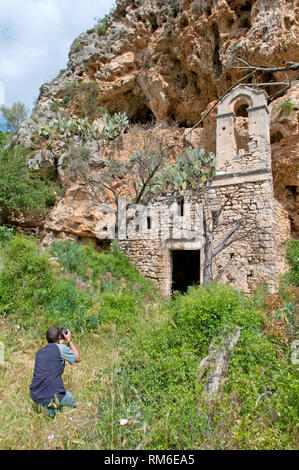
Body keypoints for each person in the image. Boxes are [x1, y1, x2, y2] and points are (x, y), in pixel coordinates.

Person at [30, 326, 81, 416]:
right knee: (80, 407)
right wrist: (69, 340)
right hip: (53, 395)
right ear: (59, 337)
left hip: (35, 395)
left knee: (50, 414)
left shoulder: (40, 352)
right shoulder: (60, 348)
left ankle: (49, 413)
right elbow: (77, 358)